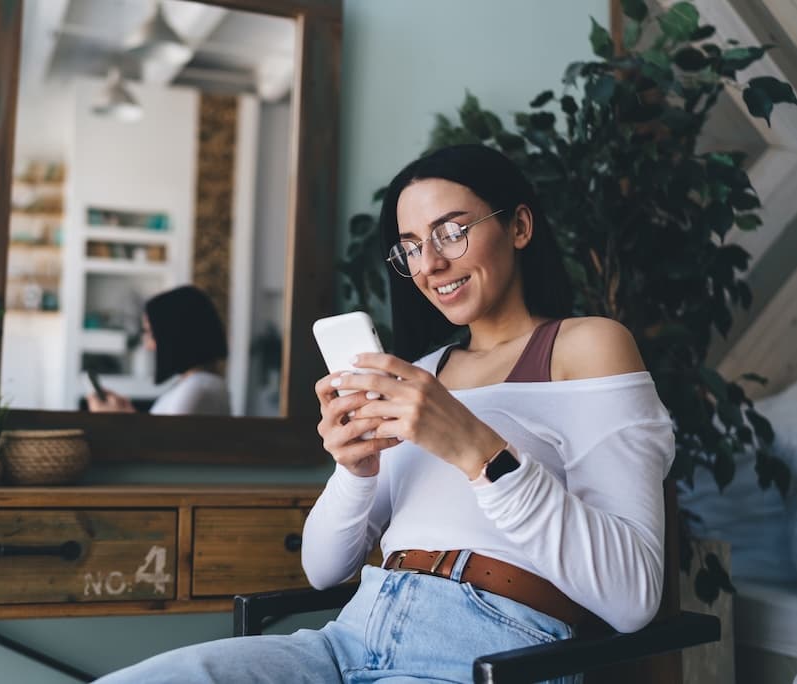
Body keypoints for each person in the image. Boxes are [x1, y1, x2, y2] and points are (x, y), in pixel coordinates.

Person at [91, 144, 674, 683]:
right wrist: (355, 469)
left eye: (452, 232)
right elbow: (323, 570)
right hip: (347, 637)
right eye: (413, 245)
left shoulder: (588, 346)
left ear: (519, 226)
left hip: (488, 651)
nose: (431, 264)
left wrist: (475, 450)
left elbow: (633, 597)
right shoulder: (422, 372)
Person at [87, 285, 231, 416]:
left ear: (177, 334)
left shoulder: (198, 389)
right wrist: (128, 413)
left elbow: (162, 443)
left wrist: (115, 419)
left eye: (150, 333)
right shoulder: (198, 384)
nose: (149, 346)